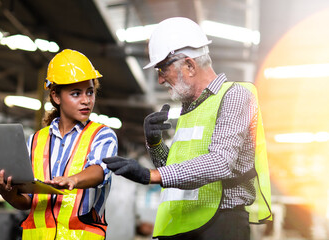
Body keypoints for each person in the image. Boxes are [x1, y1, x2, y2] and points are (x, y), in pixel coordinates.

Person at [103, 17, 272, 240]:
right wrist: (155, 144)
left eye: (163, 69)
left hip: (221, 225)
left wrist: (150, 175)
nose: (161, 79)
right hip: (183, 224)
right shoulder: (188, 109)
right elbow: (174, 169)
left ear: (190, 65)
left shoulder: (235, 96)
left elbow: (220, 162)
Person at [0, 49, 117, 240]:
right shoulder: (36, 140)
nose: (86, 100)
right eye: (76, 93)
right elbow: (28, 200)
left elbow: (99, 170)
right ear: (56, 96)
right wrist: (8, 194)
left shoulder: (102, 135)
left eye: (90, 92)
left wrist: (73, 180)